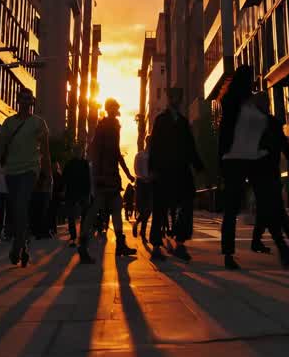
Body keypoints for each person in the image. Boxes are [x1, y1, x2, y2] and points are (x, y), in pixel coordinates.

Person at [219, 66, 289, 270]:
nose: (253, 81)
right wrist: (222, 163)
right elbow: (226, 134)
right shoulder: (232, 103)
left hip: (253, 160)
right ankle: (228, 254)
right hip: (235, 160)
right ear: (244, 80)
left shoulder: (249, 102)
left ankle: (285, 251)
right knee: (232, 210)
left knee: (268, 204)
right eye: (250, 78)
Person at [0, 89, 51, 267]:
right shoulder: (8, 123)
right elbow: (0, 147)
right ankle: (24, 241)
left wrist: (48, 174)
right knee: (17, 208)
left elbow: (46, 152)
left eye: (29, 99)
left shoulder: (38, 123)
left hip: (30, 170)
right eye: (23, 99)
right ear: (18, 101)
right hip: (12, 171)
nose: (26, 102)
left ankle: (17, 245)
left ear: (32, 102)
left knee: (20, 203)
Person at [78, 98, 137, 263]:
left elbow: (110, 152)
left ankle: (116, 244)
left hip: (106, 175)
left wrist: (124, 173)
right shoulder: (109, 126)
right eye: (114, 109)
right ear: (111, 109)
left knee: (113, 207)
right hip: (106, 176)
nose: (116, 112)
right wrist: (126, 174)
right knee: (100, 208)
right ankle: (85, 244)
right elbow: (114, 152)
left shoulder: (105, 126)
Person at [148, 87, 202, 262]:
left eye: (178, 97)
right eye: (173, 97)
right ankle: (156, 246)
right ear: (169, 98)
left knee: (186, 205)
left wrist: (199, 167)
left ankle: (180, 242)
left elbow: (190, 147)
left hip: (181, 171)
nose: (175, 100)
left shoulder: (184, 122)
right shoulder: (161, 120)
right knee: (159, 208)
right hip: (163, 171)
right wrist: (152, 169)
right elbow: (154, 147)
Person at [250, 106, 289, 253]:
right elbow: (282, 142)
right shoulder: (269, 123)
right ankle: (286, 243)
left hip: (261, 173)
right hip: (267, 172)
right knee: (274, 207)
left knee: (267, 208)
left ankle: (260, 241)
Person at [62, 144, 91, 247]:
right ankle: (80, 235)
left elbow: (64, 179)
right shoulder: (84, 164)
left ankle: (74, 235)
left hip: (73, 193)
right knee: (82, 215)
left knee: (73, 216)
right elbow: (89, 179)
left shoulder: (69, 164)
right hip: (80, 193)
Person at [132, 135, 152, 242]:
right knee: (147, 209)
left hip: (140, 183)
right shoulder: (150, 156)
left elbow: (135, 169)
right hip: (147, 184)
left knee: (145, 209)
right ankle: (142, 231)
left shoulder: (139, 155)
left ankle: (139, 226)